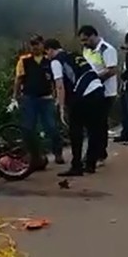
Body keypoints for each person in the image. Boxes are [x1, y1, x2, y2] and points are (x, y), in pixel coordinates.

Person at [43, 38, 106, 176]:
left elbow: (60, 85)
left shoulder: (56, 61)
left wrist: (61, 108)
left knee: (75, 131)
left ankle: (76, 166)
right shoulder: (75, 55)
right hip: (98, 91)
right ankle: (90, 164)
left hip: (83, 95)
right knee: (94, 130)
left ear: (50, 50)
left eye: (46, 52)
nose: (46, 56)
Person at [12, 35, 64, 165]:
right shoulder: (24, 61)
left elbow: (56, 80)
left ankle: (58, 153)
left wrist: (58, 97)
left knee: (51, 127)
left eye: (37, 44)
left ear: (42, 45)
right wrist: (15, 97)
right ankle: (35, 156)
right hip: (29, 98)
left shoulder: (50, 60)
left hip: (46, 99)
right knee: (28, 128)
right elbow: (18, 80)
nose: (35, 47)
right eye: (32, 44)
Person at [78, 25, 119, 164]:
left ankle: (98, 154)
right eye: (82, 41)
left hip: (106, 93)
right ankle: (97, 153)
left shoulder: (107, 49)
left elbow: (111, 70)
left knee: (99, 125)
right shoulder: (86, 50)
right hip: (90, 93)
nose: (84, 43)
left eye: (86, 40)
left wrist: (94, 80)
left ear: (93, 36)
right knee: (93, 125)